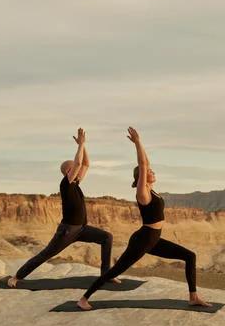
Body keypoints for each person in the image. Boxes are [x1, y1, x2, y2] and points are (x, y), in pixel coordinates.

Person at [77, 127, 211, 310]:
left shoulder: (152, 190)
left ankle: (193, 296)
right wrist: (138, 142)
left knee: (189, 256)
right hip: (143, 239)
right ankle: (84, 298)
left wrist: (141, 144)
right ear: (142, 176)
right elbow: (143, 164)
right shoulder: (143, 193)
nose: (153, 171)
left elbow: (146, 162)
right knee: (116, 270)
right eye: (150, 171)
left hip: (153, 239)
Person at [7, 128, 120, 287]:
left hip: (81, 228)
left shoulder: (75, 182)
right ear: (69, 171)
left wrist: (84, 145)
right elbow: (80, 163)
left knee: (106, 237)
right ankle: (17, 277)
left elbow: (86, 163)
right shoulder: (66, 184)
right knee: (46, 254)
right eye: (74, 168)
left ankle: (106, 274)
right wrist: (80, 145)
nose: (79, 169)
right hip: (67, 231)